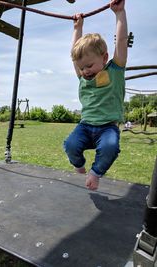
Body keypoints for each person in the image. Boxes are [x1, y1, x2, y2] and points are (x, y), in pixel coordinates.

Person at [64, 0, 128, 190]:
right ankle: (79, 164)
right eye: (82, 67)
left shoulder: (115, 70)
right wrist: (78, 28)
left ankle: (95, 172)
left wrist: (120, 14)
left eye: (89, 66)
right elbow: (74, 54)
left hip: (107, 127)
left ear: (105, 58)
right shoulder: (83, 77)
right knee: (70, 145)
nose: (85, 71)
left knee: (110, 148)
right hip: (85, 126)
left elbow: (122, 41)